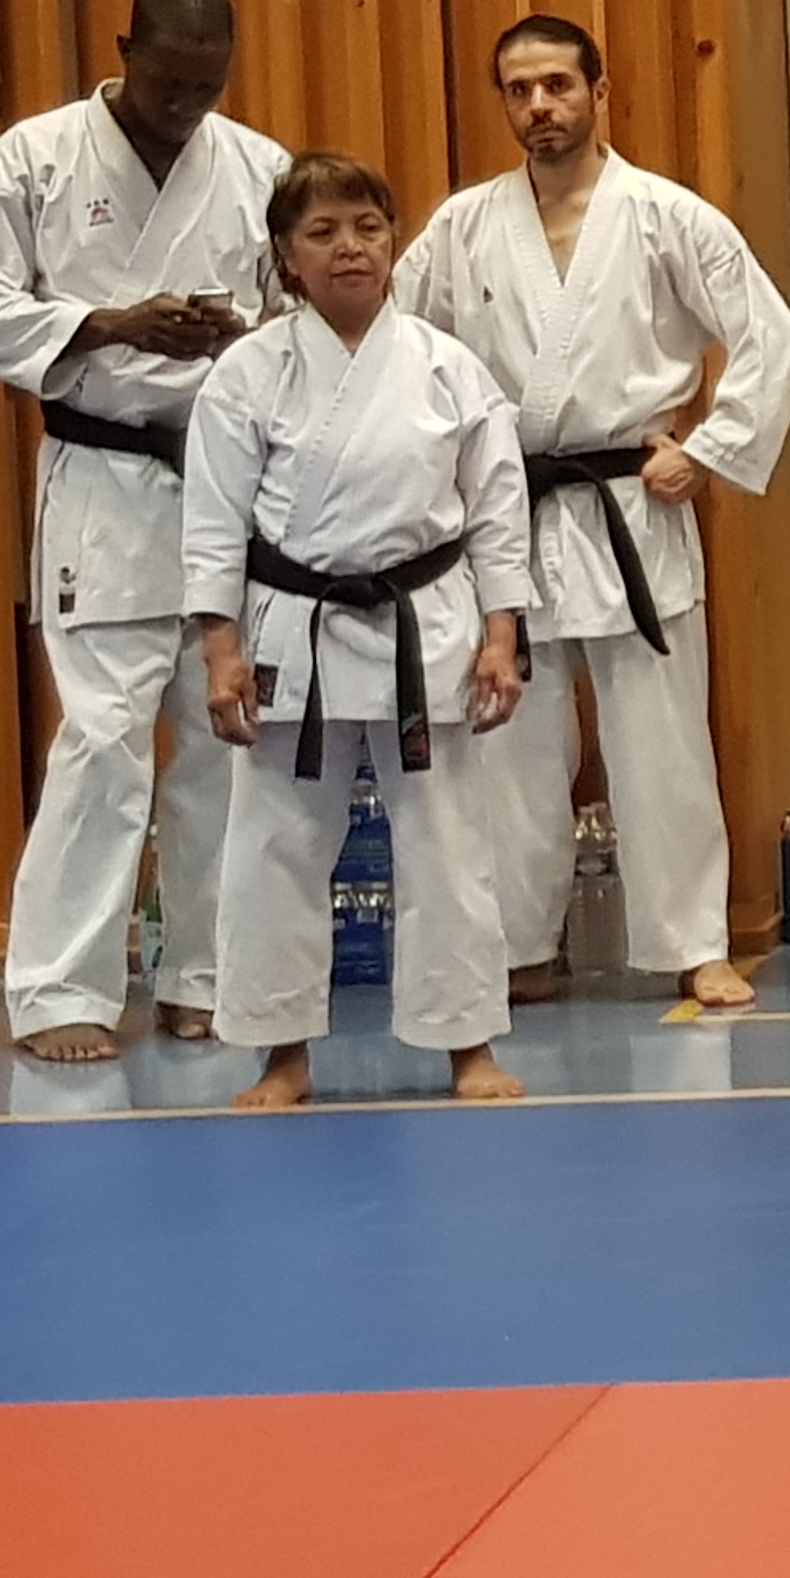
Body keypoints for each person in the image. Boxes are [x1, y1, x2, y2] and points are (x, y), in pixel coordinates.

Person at [398, 15, 790, 1008]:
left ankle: (693, 943)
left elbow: (773, 339)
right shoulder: (462, 227)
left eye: (558, 85)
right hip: (512, 506)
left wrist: (706, 450)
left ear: (598, 90)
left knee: (660, 736)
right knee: (510, 743)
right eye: (520, 89)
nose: (540, 105)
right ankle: (517, 947)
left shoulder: (666, 216)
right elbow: (402, 352)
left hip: (631, 502)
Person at [0, 0, 292, 1062]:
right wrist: (107, 324)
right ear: (123, 48)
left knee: (225, 743)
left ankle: (204, 977)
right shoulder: (35, 159)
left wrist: (241, 341)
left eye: (207, 86)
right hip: (103, 478)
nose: (186, 103)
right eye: (168, 81)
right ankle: (60, 989)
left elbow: (300, 320)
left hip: (226, 480)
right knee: (101, 742)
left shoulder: (259, 167)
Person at [182, 154, 532, 1110]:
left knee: (448, 847)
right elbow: (213, 520)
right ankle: (281, 1052)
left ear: (394, 242)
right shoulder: (247, 373)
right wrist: (221, 649)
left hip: (427, 626)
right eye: (323, 232)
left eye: (368, 228)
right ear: (285, 257)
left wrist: (503, 635)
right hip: (292, 628)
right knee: (276, 844)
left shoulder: (448, 367)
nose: (350, 248)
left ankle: (467, 1044)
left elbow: (497, 510)